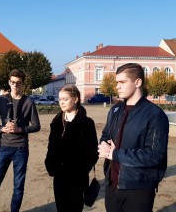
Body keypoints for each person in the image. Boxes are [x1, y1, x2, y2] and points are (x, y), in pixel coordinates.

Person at [98, 63, 169, 212]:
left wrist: (116, 154)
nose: (117, 86)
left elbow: (156, 156)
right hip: (112, 186)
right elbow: (106, 135)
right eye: (117, 82)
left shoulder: (155, 115)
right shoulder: (115, 110)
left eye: (122, 82)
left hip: (139, 189)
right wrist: (103, 145)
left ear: (137, 82)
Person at [0, 69, 41, 212]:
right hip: (3, 147)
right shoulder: (1, 100)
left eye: (19, 83)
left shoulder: (28, 102)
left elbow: (36, 126)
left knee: (18, 187)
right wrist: (2, 129)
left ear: (23, 84)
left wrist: (19, 129)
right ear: (9, 82)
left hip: (21, 149)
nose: (15, 85)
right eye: (13, 82)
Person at [45, 84, 98, 212]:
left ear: (75, 99)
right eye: (60, 99)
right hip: (59, 176)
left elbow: (92, 151)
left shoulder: (86, 123)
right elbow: (51, 147)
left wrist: (83, 168)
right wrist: (50, 164)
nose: (61, 102)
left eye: (65, 99)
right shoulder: (56, 122)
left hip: (77, 178)